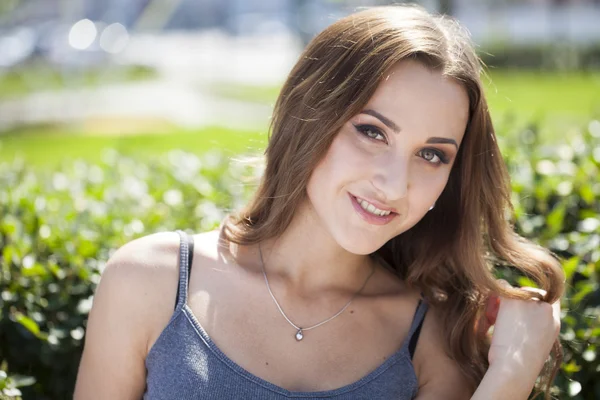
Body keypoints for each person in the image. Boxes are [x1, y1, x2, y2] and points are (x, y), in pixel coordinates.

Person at [74, 4, 564, 400]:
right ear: (309, 116)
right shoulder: (149, 282)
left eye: (432, 155)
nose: (395, 185)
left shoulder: (429, 339)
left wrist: (512, 376)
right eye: (372, 132)